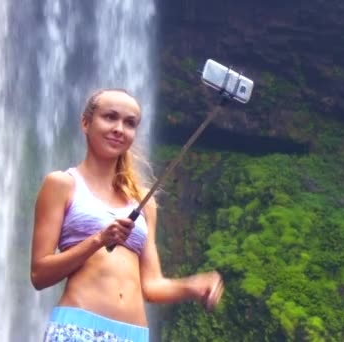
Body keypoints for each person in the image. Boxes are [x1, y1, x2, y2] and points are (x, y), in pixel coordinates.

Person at [31, 88, 224, 341]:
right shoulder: (62, 184)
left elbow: (152, 286)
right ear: (85, 122)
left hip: (132, 335)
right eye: (110, 117)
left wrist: (191, 286)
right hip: (77, 328)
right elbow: (39, 275)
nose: (119, 129)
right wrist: (98, 240)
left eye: (129, 123)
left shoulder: (144, 203)